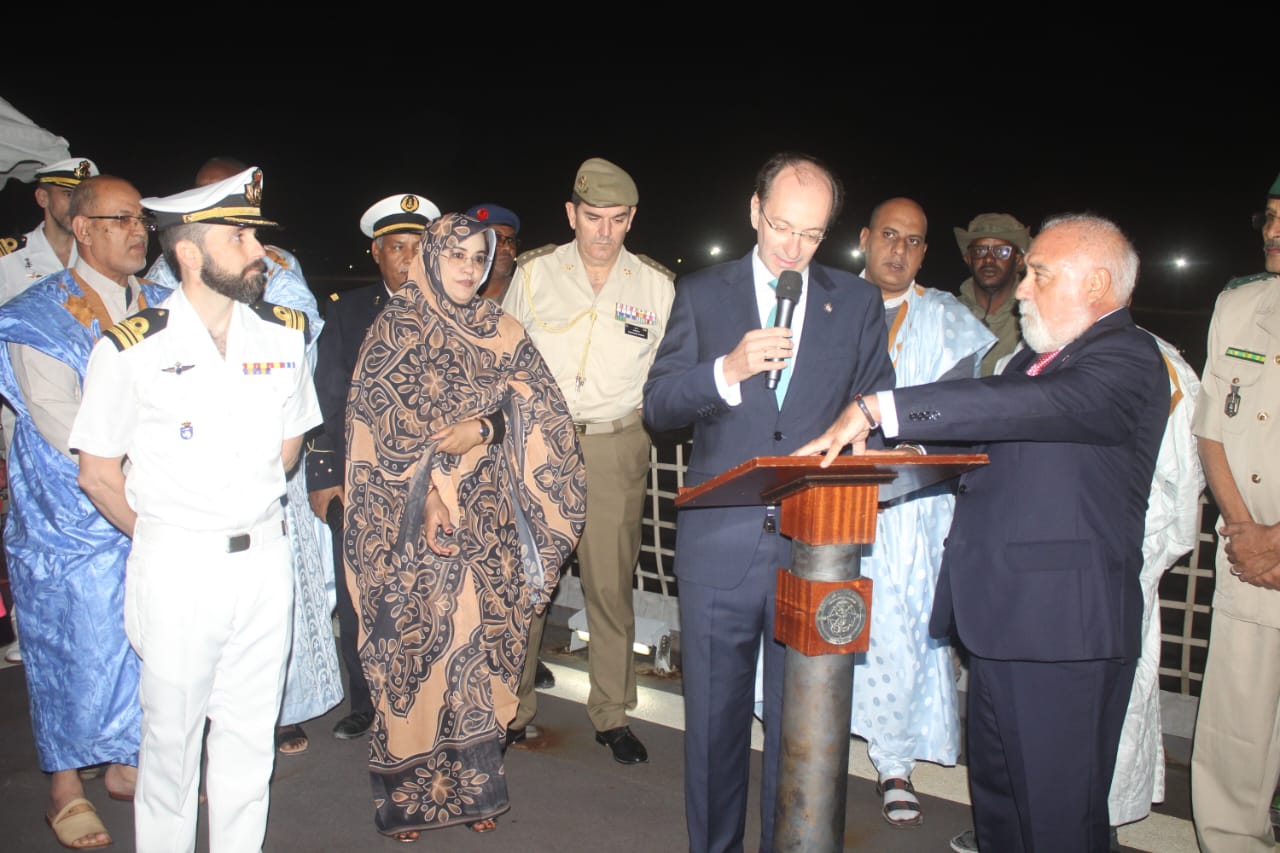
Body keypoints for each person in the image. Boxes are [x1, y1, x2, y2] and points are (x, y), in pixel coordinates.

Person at [795, 213, 1168, 853]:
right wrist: (897, 451)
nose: (1022, 289)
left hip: (1062, 633)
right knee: (1000, 808)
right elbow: (984, 429)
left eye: (1039, 274)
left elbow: (1027, 407)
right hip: (1003, 617)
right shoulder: (1039, 357)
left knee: (1054, 821)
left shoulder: (1126, 358)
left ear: (1096, 283)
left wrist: (882, 407)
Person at [642, 151, 896, 853]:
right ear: (754, 211)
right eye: (782, 226)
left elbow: (878, 403)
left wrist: (862, 427)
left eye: (810, 234)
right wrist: (725, 371)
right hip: (718, 546)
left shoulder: (857, 303)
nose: (793, 248)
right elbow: (658, 406)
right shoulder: (702, 293)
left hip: (814, 549)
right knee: (714, 730)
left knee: (802, 729)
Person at [70, 165, 320, 852]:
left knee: (249, 742)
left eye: (254, 236)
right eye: (238, 237)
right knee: (171, 745)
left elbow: (289, 447)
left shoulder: (283, 334)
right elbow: (97, 473)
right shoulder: (130, 348)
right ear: (188, 251)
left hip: (263, 561)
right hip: (178, 567)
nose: (259, 250)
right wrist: (167, 533)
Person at [343, 212, 586, 841]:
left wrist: (485, 427)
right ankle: (407, 800)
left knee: (482, 652)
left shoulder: (502, 329)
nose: (469, 269)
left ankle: (475, 791)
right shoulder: (395, 326)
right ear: (431, 257)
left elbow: (543, 410)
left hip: (491, 518)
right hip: (413, 526)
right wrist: (426, 497)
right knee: (417, 654)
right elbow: (375, 429)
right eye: (456, 256)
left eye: (479, 258)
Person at [948, 334, 1204, 853]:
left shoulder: (1147, 359)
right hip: (1017, 593)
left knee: (1076, 768)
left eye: (1039, 286)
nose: (1023, 294)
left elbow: (1181, 490)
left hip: (1098, 586)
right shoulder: (1026, 356)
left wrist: (1126, 566)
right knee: (1012, 765)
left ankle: (1096, 826)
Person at [146, 155, 340, 756]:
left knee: (279, 598)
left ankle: (282, 708)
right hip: (188, 479)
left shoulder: (278, 265)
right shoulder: (160, 274)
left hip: (264, 467)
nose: (249, 231)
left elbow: (301, 340)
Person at [0, 173, 164, 849]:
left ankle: (127, 761)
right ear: (84, 229)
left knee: (143, 637)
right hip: (67, 516)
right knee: (71, 643)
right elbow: (56, 419)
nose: (136, 231)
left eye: (141, 220)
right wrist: (142, 479)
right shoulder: (37, 313)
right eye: (119, 219)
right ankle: (65, 787)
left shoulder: (165, 305)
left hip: (152, 496)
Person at [502, 157, 674, 764]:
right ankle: (511, 710)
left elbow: (670, 372)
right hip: (539, 444)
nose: (604, 231)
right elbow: (505, 357)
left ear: (632, 219)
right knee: (528, 583)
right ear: (571, 214)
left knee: (608, 584)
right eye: (593, 217)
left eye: (617, 219)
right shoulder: (534, 273)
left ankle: (611, 714)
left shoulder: (656, 286)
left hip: (614, 443)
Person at [850, 197, 995, 827]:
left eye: (912, 241)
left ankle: (894, 761)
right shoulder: (825, 304)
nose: (899, 250)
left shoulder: (946, 320)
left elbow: (966, 407)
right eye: (889, 235)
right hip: (832, 490)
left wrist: (919, 449)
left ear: (924, 252)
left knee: (901, 627)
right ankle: (810, 730)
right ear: (865, 238)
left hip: (912, 504)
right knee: (824, 611)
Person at [305, 191, 440, 741]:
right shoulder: (348, 312)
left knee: (430, 593)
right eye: (396, 247)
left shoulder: (452, 309)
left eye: (418, 247)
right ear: (376, 252)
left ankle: (427, 698)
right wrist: (323, 476)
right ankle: (365, 701)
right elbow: (327, 397)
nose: (408, 259)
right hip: (362, 481)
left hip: (434, 481)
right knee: (360, 593)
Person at [1189, 168, 1280, 853]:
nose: (1273, 233)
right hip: (1251, 556)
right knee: (1236, 728)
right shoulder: (1240, 307)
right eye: (1269, 218)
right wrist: (1246, 532)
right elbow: (1211, 425)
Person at [0, 156, 99, 667]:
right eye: (66, 192)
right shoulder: (10, 260)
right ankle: (32, 630)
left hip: (93, 408)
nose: (76, 202)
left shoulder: (96, 256)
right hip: (23, 412)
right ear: (43, 198)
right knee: (33, 522)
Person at [0, 156, 99, 304]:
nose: (79, 205)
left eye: (86, 197)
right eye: (69, 194)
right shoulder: (9, 258)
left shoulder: (100, 254)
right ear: (43, 198)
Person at [953, 212, 1032, 376]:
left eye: (1002, 251)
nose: (989, 259)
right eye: (979, 250)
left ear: (1018, 260)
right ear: (968, 259)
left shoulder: (1036, 315)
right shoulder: (948, 313)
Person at [466, 202, 521, 304]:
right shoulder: (453, 292)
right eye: (497, 238)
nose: (507, 247)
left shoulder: (525, 292)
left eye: (511, 240)